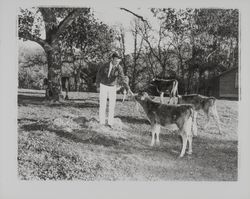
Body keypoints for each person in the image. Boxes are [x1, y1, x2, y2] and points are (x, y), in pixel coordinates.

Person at [96, 52, 131, 128]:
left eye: (118, 61)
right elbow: (99, 75)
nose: (117, 62)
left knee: (112, 105)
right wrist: (98, 85)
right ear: (112, 59)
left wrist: (126, 87)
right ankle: (101, 122)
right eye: (116, 60)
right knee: (103, 104)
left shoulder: (119, 68)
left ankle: (110, 123)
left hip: (112, 87)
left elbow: (122, 78)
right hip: (103, 85)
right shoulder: (104, 66)